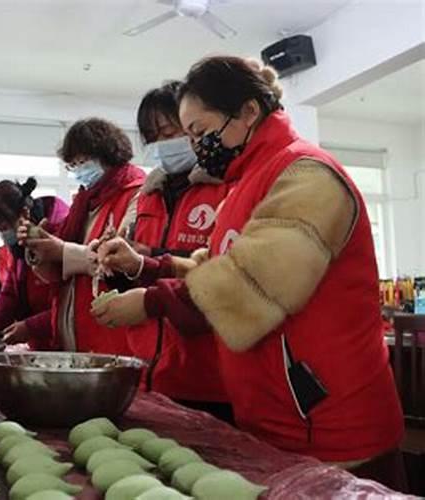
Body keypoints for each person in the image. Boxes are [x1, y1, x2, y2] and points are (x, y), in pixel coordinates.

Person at [93, 56, 405, 488]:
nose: (197, 145)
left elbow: (249, 283)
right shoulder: (247, 183)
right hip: (275, 417)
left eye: (200, 132)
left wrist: (151, 301)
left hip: (330, 423)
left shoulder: (306, 175)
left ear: (248, 112)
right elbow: (214, 266)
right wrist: (146, 266)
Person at [121, 82, 232, 422]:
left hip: (210, 377)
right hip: (149, 372)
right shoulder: (146, 197)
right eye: (152, 137)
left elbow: (222, 269)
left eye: (170, 132)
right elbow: (135, 270)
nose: (161, 144)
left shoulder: (227, 187)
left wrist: (149, 255)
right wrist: (116, 260)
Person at [19, 118, 145, 354]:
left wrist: (60, 250)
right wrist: (39, 248)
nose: (78, 170)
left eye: (82, 162)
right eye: (72, 165)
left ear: (108, 154)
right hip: (77, 333)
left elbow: (121, 261)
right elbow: (58, 273)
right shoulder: (85, 203)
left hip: (113, 337)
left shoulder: (138, 195)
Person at [0, 178, 69, 348]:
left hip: (65, 341)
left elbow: (73, 303)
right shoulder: (18, 248)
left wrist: (31, 327)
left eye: (4, 227)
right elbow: (9, 291)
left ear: (25, 213)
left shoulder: (62, 233)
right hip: (40, 344)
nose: (3, 234)